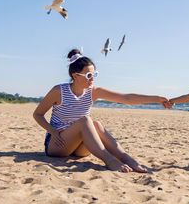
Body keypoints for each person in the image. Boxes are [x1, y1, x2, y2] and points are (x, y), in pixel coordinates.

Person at [33, 49, 169, 173]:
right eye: (88, 75)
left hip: (80, 149)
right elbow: (37, 115)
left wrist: (156, 98)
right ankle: (110, 161)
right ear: (75, 75)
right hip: (58, 144)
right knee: (86, 120)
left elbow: (126, 98)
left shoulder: (94, 92)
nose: (92, 78)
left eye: (94, 74)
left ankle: (127, 159)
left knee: (96, 124)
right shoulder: (59, 91)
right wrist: (53, 131)